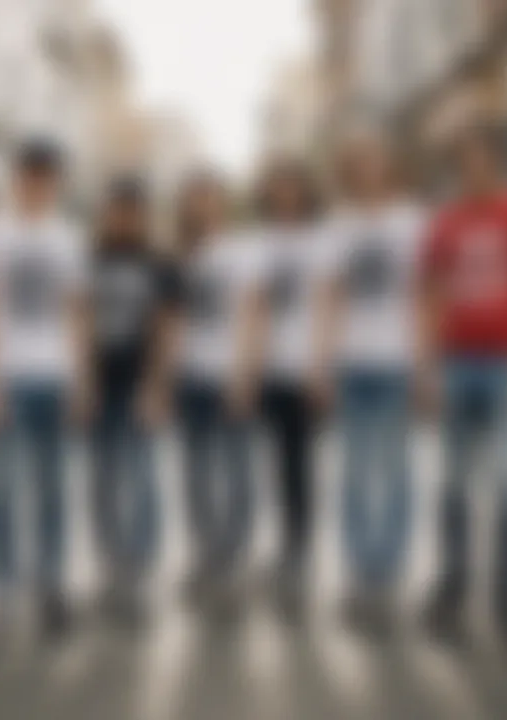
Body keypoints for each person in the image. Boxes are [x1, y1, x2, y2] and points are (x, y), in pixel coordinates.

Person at [421, 122, 507, 652]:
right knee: (452, 481)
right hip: (456, 362)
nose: (472, 167)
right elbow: (435, 295)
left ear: (498, 159)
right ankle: (452, 589)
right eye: (463, 160)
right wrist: (428, 366)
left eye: (481, 156)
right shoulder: (446, 223)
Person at [0, 140, 89, 639]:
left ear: (57, 181)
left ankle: (49, 586)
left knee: (52, 489)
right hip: (6, 375)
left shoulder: (68, 236)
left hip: (55, 374)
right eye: (30, 174)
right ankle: (2, 590)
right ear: (16, 177)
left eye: (47, 175)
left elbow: (75, 310)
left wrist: (80, 380)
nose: (38, 183)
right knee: (0, 489)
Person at [324, 128, 428, 633]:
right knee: (353, 472)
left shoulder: (412, 222)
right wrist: (323, 363)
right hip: (352, 364)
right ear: (349, 171)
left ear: (388, 167)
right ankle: (360, 572)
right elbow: (332, 298)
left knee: (396, 471)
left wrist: (426, 366)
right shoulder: (338, 226)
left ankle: (387, 575)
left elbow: (424, 296)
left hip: (396, 361)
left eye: (374, 160)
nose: (367, 170)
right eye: (357, 162)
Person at [90, 177, 179, 617]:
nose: (124, 217)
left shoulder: (160, 263)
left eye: (132, 209)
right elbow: (77, 322)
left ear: (144, 216)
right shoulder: (88, 259)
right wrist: (82, 383)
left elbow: (167, 329)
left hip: (140, 382)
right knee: (103, 478)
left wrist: (158, 385)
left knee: (142, 476)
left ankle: (139, 570)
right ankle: (112, 566)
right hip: (98, 382)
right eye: (116, 209)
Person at [175, 171, 265, 606]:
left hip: (230, 375)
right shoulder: (179, 254)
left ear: (223, 204)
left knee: (237, 471)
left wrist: (245, 374)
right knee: (196, 473)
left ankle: (233, 558)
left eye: (210, 198)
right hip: (189, 377)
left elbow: (252, 314)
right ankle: (206, 555)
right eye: (195, 199)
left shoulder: (242, 252)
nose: (203, 207)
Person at [256, 159, 331, 615]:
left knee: (301, 466)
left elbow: (327, 306)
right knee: (276, 465)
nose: (286, 196)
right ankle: (284, 549)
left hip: (305, 369)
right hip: (267, 370)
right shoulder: (258, 243)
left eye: (293, 188)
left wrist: (321, 367)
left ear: (305, 193)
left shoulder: (321, 243)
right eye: (278, 189)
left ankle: (299, 554)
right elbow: (252, 309)